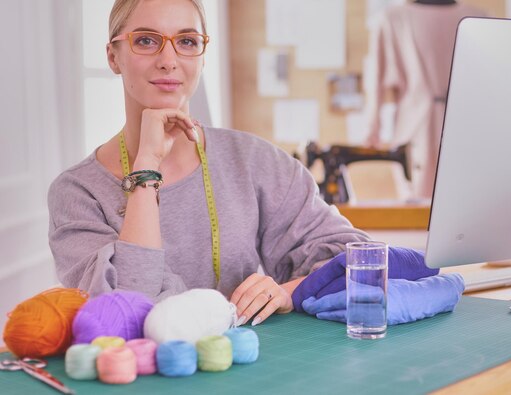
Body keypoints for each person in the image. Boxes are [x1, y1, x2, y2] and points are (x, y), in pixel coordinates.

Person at [47, 0, 370, 327]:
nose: (168, 61)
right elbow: (126, 312)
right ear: (113, 57)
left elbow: (359, 260)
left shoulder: (252, 159)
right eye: (146, 40)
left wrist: (287, 291)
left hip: (245, 363)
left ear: (201, 56)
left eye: (187, 42)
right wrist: (146, 168)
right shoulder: (77, 193)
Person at [365, 0, 487, 201]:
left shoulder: (479, 17)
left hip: (452, 125)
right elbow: (375, 79)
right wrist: (373, 130)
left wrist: (372, 131)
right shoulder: (391, 19)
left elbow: (375, 80)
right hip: (420, 128)